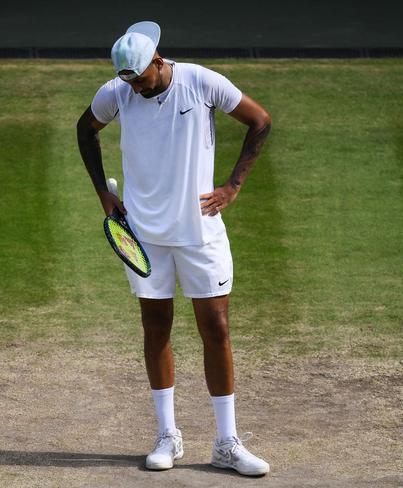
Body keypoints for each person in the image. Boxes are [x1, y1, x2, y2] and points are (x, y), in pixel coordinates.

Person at [76, 21, 272, 475]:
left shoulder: (202, 81)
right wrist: (103, 194)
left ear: (159, 62)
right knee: (155, 327)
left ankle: (227, 442)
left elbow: (259, 121)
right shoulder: (118, 91)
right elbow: (85, 131)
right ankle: (168, 434)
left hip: (200, 233)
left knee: (216, 328)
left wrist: (232, 186)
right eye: (129, 81)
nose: (137, 89)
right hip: (145, 234)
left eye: (142, 79)